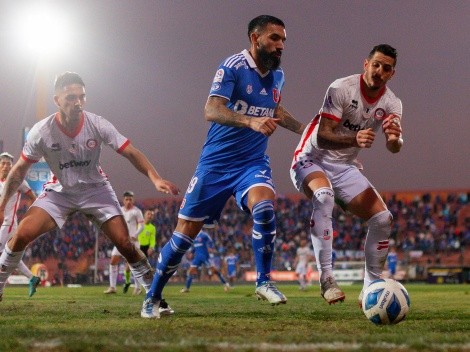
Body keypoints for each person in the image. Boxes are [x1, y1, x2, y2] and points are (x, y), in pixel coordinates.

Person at [141, 15, 305, 318]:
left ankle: (264, 281)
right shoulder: (232, 67)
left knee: (265, 207)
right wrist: (250, 121)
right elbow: (211, 109)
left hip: (252, 163)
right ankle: (152, 297)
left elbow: (275, 109)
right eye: (274, 38)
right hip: (215, 165)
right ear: (255, 39)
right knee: (182, 238)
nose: (281, 45)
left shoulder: (277, 76)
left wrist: (304, 130)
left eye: (283, 39)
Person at [0, 72, 180, 311]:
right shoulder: (41, 131)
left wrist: (155, 178)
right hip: (60, 192)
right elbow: (19, 169)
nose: (78, 102)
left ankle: (154, 297)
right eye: (71, 97)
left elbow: (130, 152)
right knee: (21, 234)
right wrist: (2, 206)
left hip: (96, 190)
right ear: (57, 100)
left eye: (82, 97)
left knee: (125, 244)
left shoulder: (97, 123)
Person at [290, 44, 403, 305]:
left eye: (386, 68)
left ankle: (371, 286)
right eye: (376, 64)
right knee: (324, 195)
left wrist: (395, 137)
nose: (379, 71)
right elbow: (322, 136)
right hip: (311, 157)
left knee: (383, 218)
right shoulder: (341, 88)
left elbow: (394, 146)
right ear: (366, 64)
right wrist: (355, 138)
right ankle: (326, 278)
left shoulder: (392, 103)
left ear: (391, 73)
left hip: (344, 167)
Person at [0, 152, 41, 297]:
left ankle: (0, 291)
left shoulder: (18, 180)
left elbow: (32, 197)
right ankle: (32, 278)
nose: (6, 166)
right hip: (1, 225)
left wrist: (30, 216)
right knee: (10, 256)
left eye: (9, 164)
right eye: (3, 163)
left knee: (5, 256)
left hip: (9, 224)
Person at [104, 191, 144, 295]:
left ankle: (137, 287)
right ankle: (112, 287)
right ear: (123, 200)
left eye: (130, 199)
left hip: (132, 242)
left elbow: (142, 226)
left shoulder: (137, 211)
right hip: (121, 241)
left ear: (133, 200)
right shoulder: (119, 210)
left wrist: (135, 234)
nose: (129, 201)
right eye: (127, 199)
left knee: (134, 264)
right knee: (113, 261)